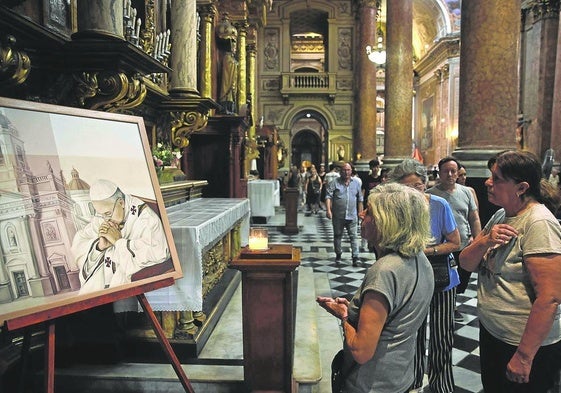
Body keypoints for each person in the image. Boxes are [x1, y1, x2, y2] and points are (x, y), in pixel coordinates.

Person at [459, 150, 561, 393]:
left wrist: (524, 357)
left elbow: (550, 297)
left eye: (497, 178)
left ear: (521, 187)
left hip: (521, 345)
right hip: (495, 334)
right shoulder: (502, 215)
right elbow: (466, 263)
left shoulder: (539, 224)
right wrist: (483, 242)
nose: (487, 182)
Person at [317, 183, 434, 392]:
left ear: (388, 221)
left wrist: (344, 315)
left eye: (369, 211)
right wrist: (356, 312)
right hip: (400, 377)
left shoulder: (385, 271)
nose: (361, 215)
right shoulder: (420, 258)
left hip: (371, 383)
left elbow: (361, 351)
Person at [390, 158, 460, 393]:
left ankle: (441, 385)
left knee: (441, 336)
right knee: (413, 335)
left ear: (425, 183)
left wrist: (425, 251)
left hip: (441, 278)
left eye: (418, 186)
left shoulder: (439, 205)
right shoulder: (397, 209)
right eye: (407, 188)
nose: (414, 192)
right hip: (411, 281)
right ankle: (414, 382)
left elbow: (455, 243)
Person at [71, 179, 170, 294]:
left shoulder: (146, 219)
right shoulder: (101, 217)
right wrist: (99, 248)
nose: (105, 220)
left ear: (121, 203)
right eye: (101, 215)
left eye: (108, 214)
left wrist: (119, 242)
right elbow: (79, 243)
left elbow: (159, 254)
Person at [427, 157, 481, 321]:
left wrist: (478, 241)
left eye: (453, 171)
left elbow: (474, 218)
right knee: (443, 278)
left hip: (464, 245)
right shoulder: (430, 195)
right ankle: (447, 305)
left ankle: (452, 301)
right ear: (440, 173)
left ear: (458, 173)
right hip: (442, 246)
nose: (450, 174)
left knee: (462, 278)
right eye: (446, 171)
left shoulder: (466, 192)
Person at [325, 162, 363, 266]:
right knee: (337, 236)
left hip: (352, 215)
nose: (346, 172)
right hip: (338, 216)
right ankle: (338, 253)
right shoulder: (334, 182)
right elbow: (328, 196)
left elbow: (360, 199)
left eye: (348, 170)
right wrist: (328, 210)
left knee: (354, 236)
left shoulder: (356, 183)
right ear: (341, 171)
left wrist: (361, 213)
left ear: (351, 171)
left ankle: (355, 257)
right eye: (344, 170)